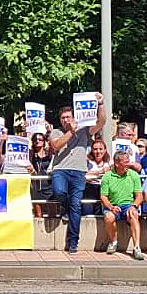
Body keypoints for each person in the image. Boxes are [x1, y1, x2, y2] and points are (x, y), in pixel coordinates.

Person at [49, 93, 107, 253]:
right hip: (60, 169)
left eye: (68, 117)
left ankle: (73, 242)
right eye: (63, 118)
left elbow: (101, 121)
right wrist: (71, 132)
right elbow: (56, 146)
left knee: (76, 206)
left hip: (79, 171)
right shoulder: (56, 132)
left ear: (74, 117)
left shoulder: (85, 131)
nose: (66, 120)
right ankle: (65, 207)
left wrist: (100, 104)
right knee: (59, 192)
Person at [99, 151, 144, 260]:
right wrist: (111, 207)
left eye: (128, 162)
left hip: (128, 205)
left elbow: (139, 196)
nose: (128, 165)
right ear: (117, 163)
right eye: (125, 162)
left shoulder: (133, 175)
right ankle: (114, 241)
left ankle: (137, 247)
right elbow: (103, 196)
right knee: (109, 217)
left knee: (134, 215)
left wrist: (134, 206)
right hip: (112, 204)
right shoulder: (107, 176)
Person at [83, 139, 111, 216]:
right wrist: (100, 172)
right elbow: (83, 174)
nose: (98, 151)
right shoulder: (87, 162)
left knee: (101, 212)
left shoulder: (109, 162)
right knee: (87, 210)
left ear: (105, 150)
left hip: (104, 188)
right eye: (95, 149)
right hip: (89, 188)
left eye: (100, 149)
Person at [30, 132, 55, 218]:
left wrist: (49, 132)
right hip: (36, 186)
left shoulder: (49, 154)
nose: (37, 141)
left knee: (52, 213)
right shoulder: (31, 154)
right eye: (35, 140)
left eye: (40, 139)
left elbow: (53, 144)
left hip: (48, 185)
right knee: (38, 214)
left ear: (44, 141)